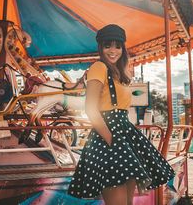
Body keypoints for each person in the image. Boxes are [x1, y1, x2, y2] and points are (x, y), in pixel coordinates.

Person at [68, 24, 175, 205]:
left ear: (123, 48)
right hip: (108, 137)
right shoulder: (98, 67)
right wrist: (110, 140)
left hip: (125, 135)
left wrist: (121, 141)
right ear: (100, 47)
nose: (113, 50)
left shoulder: (120, 73)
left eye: (118, 46)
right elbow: (91, 109)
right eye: (107, 45)